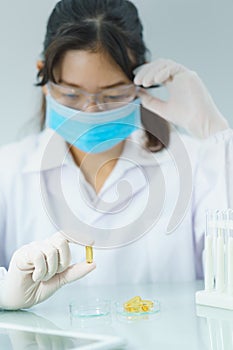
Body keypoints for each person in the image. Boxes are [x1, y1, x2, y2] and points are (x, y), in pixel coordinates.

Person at [0, 0, 231, 310]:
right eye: (71, 94)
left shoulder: (198, 163)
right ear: (44, 78)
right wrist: (4, 296)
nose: (91, 109)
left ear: (139, 82)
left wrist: (216, 134)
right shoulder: (8, 171)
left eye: (113, 95)